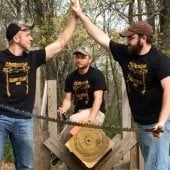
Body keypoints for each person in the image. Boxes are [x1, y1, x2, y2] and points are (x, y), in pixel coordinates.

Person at [70, 0, 170, 170]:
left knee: (156, 166)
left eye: (131, 38)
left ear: (143, 38)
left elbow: (169, 91)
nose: (127, 41)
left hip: (160, 123)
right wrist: (80, 15)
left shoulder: (160, 60)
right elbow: (101, 37)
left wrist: (161, 122)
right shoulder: (126, 54)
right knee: (156, 163)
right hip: (141, 123)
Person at [0, 12, 77, 170]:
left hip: (24, 121)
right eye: (27, 34)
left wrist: (74, 16)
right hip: (1, 118)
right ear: (16, 38)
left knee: (26, 166)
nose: (31, 38)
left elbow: (60, 43)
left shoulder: (32, 58)